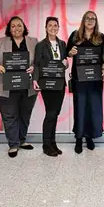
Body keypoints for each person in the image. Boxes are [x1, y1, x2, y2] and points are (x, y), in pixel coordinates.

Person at [0, 16, 38, 158]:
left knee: (25, 115)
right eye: (13, 26)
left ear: (24, 27)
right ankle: (13, 144)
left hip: (27, 85)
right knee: (9, 116)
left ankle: (22, 140)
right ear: (9, 29)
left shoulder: (33, 42)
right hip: (5, 85)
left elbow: (40, 61)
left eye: (19, 25)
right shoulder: (1, 41)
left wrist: (34, 67)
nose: (16, 28)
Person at [67, 11, 104, 154]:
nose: (90, 21)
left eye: (93, 19)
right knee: (80, 108)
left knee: (93, 109)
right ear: (83, 20)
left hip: (95, 79)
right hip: (79, 78)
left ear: (96, 22)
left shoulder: (101, 37)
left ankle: (90, 137)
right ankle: (78, 138)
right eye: (87, 18)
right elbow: (66, 52)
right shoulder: (75, 35)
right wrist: (70, 53)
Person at [34, 17, 69, 157]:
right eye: (50, 25)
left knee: (55, 113)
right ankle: (46, 144)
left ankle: (53, 143)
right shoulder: (41, 45)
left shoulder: (62, 44)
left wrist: (66, 64)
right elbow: (36, 63)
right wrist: (35, 79)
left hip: (60, 83)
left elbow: (64, 63)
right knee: (50, 114)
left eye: (55, 25)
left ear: (58, 27)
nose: (53, 28)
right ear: (46, 27)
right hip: (47, 83)